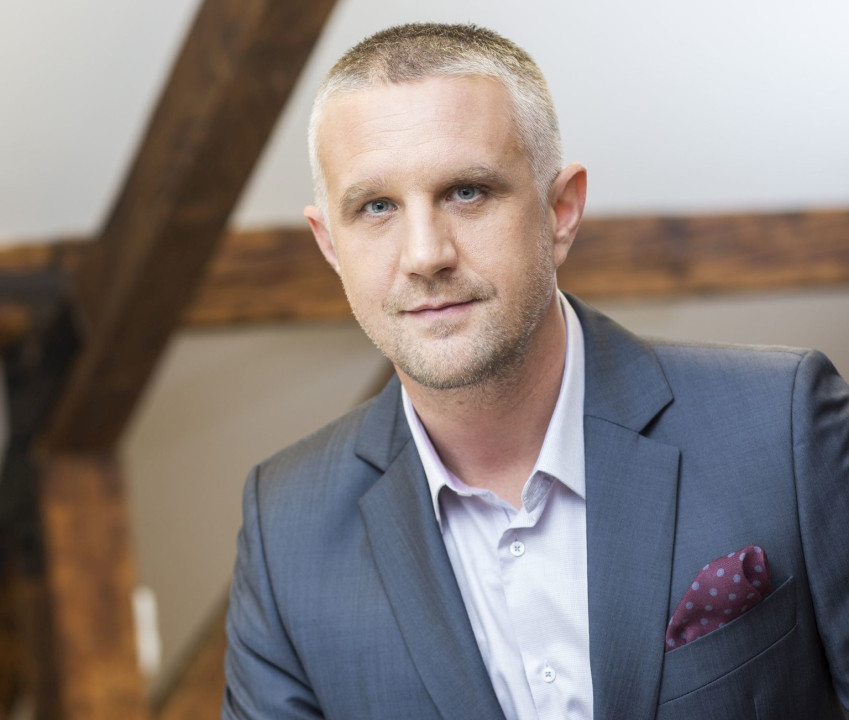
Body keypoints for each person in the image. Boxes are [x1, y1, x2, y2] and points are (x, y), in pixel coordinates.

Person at [223, 23, 849, 720]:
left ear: (561, 211)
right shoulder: (284, 530)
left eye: (467, 192)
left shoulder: (783, 428)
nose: (425, 254)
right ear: (330, 245)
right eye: (376, 207)